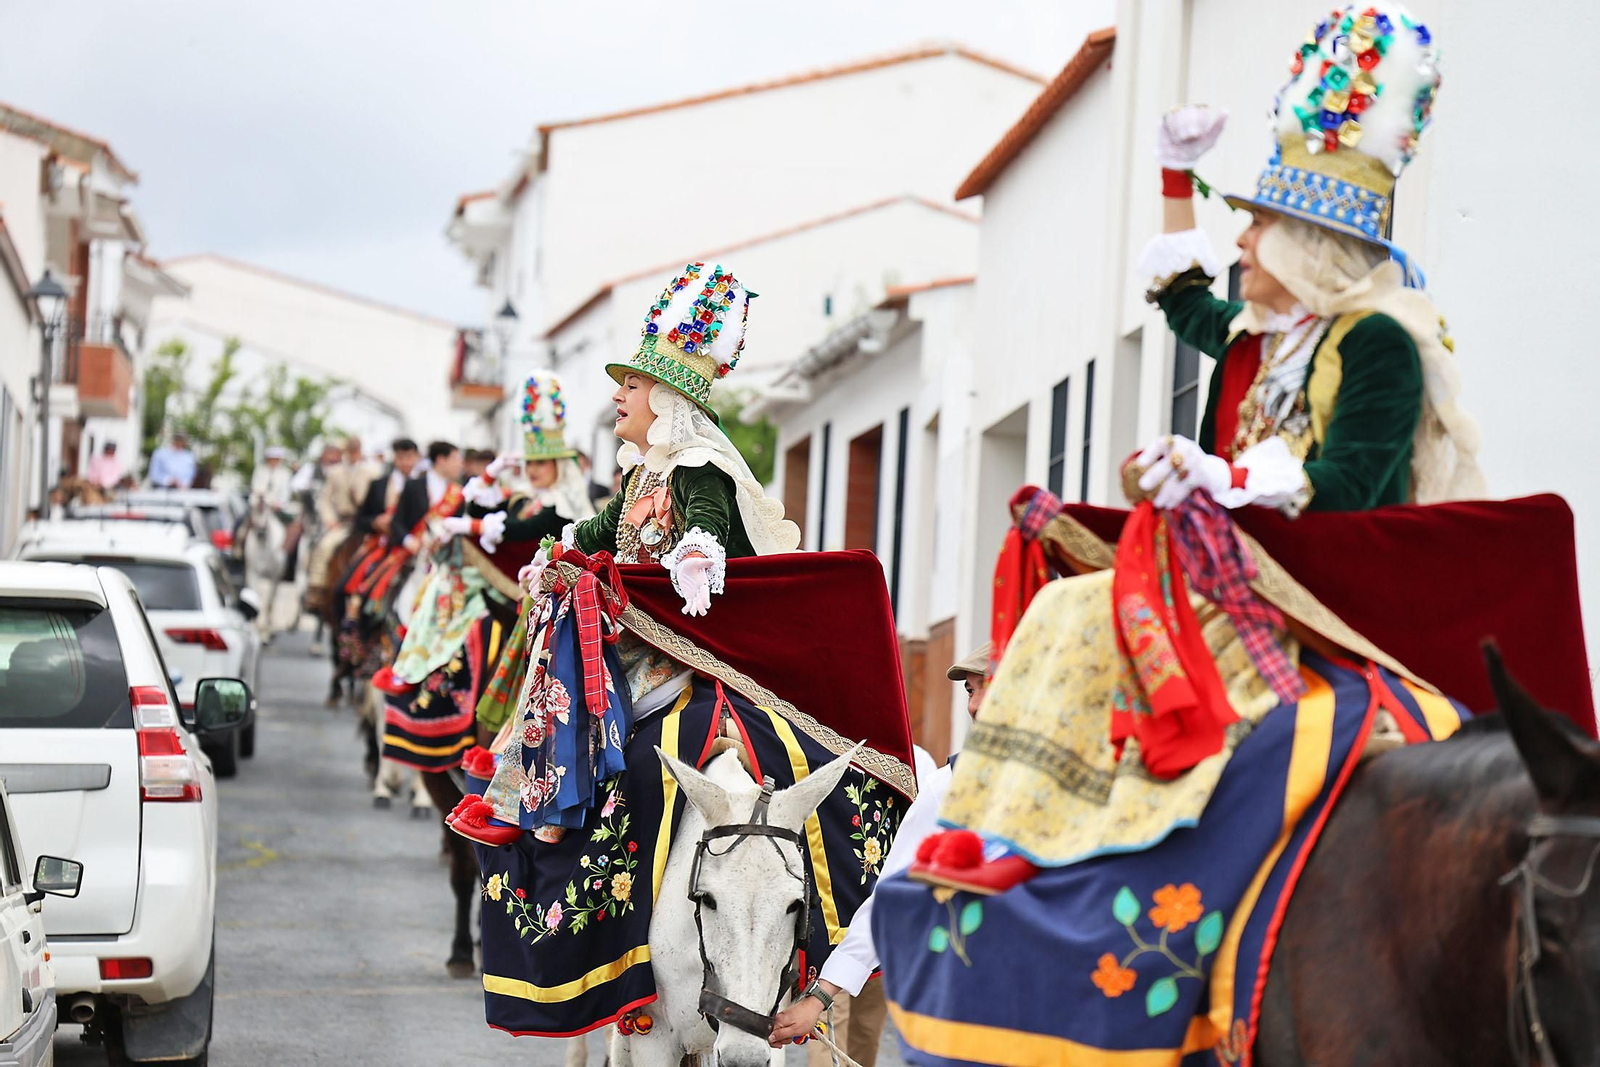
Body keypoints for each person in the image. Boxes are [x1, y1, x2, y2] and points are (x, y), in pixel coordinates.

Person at [1132, 34, 1481, 516]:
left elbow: (1351, 483)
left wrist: (1225, 477)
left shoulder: (1377, 342)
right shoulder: (1261, 337)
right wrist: (1175, 173)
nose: (1241, 241)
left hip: (1328, 565)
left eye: (1258, 224)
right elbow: (1185, 301)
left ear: (1306, 245)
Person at [769, 644, 990, 1057]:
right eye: (969, 691)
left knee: (867, 1036)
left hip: (1065, 1005)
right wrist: (819, 997)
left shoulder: (1093, 784)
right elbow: (893, 897)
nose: (974, 706)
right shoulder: (951, 786)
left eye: (987, 687)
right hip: (963, 999)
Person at [461, 372, 600, 743]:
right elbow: (480, 512)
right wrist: (488, 477)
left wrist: (468, 525)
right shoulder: (527, 498)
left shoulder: (563, 508)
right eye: (530, 463)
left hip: (550, 603)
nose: (533, 470)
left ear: (559, 465)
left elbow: (513, 531)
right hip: (517, 593)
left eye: (542, 462)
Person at [250, 447, 296, 519]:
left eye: (276, 459)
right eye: (272, 458)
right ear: (268, 459)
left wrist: (280, 503)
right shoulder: (260, 470)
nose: (274, 461)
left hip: (276, 507)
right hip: (258, 504)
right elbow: (255, 487)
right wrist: (266, 500)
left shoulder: (285, 473)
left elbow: (285, 491)